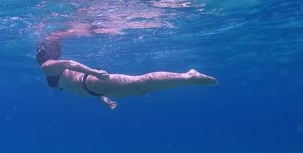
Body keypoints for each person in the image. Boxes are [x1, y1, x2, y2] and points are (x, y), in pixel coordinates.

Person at [36, 39, 218, 109]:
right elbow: (71, 82)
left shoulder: (47, 66)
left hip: (93, 82)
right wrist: (101, 98)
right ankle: (188, 78)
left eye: (38, 51)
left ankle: (189, 77)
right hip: (94, 89)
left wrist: (95, 73)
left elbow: (70, 64)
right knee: (141, 88)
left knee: (141, 84)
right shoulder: (48, 72)